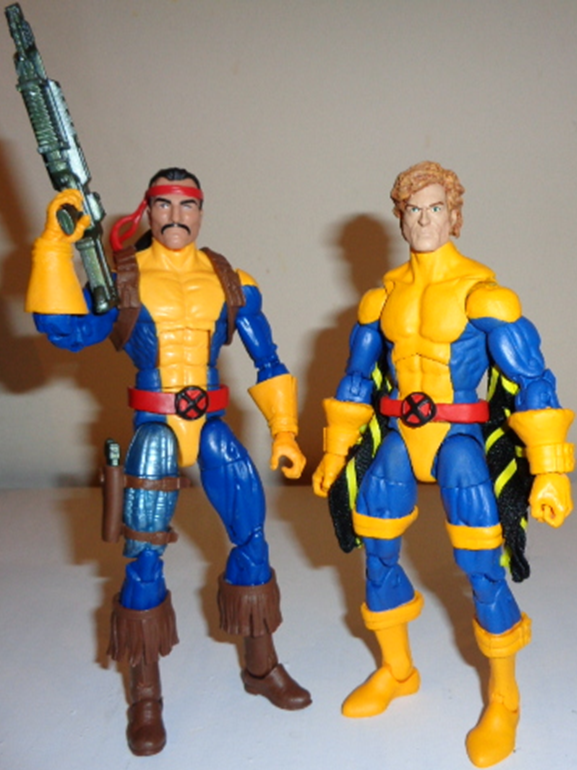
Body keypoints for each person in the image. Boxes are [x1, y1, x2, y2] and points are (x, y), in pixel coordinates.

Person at [27, 167, 311, 756]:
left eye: (187, 204)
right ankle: (146, 696)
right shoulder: (124, 278)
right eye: (163, 204)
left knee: (252, 536)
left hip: (210, 426)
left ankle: (262, 667)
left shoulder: (229, 280)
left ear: (201, 211)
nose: (176, 215)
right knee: (143, 559)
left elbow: (269, 360)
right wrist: (53, 247)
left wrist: (285, 431)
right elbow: (64, 331)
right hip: (155, 428)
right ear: (148, 211)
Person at [313, 160, 573, 768]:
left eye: (435, 208)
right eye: (413, 210)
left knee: (482, 566)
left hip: (459, 439)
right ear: (400, 218)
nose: (424, 219)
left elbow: (534, 381)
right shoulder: (381, 299)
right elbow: (356, 379)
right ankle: (398, 671)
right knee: (376, 549)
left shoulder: (484, 295)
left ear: (455, 217)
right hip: (400, 436)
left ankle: (504, 698)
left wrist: (552, 471)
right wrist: (336, 450)